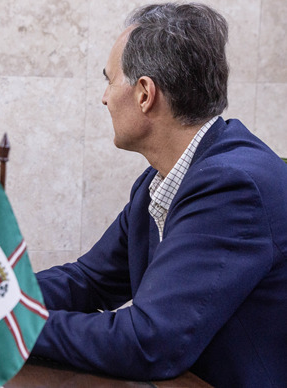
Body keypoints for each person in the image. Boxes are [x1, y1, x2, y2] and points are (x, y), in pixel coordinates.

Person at [32, 3, 287, 387]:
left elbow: (149, 341)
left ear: (145, 93)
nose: (104, 98)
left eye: (109, 80)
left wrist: (9, 325)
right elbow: (90, 280)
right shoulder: (163, 180)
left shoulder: (232, 186)